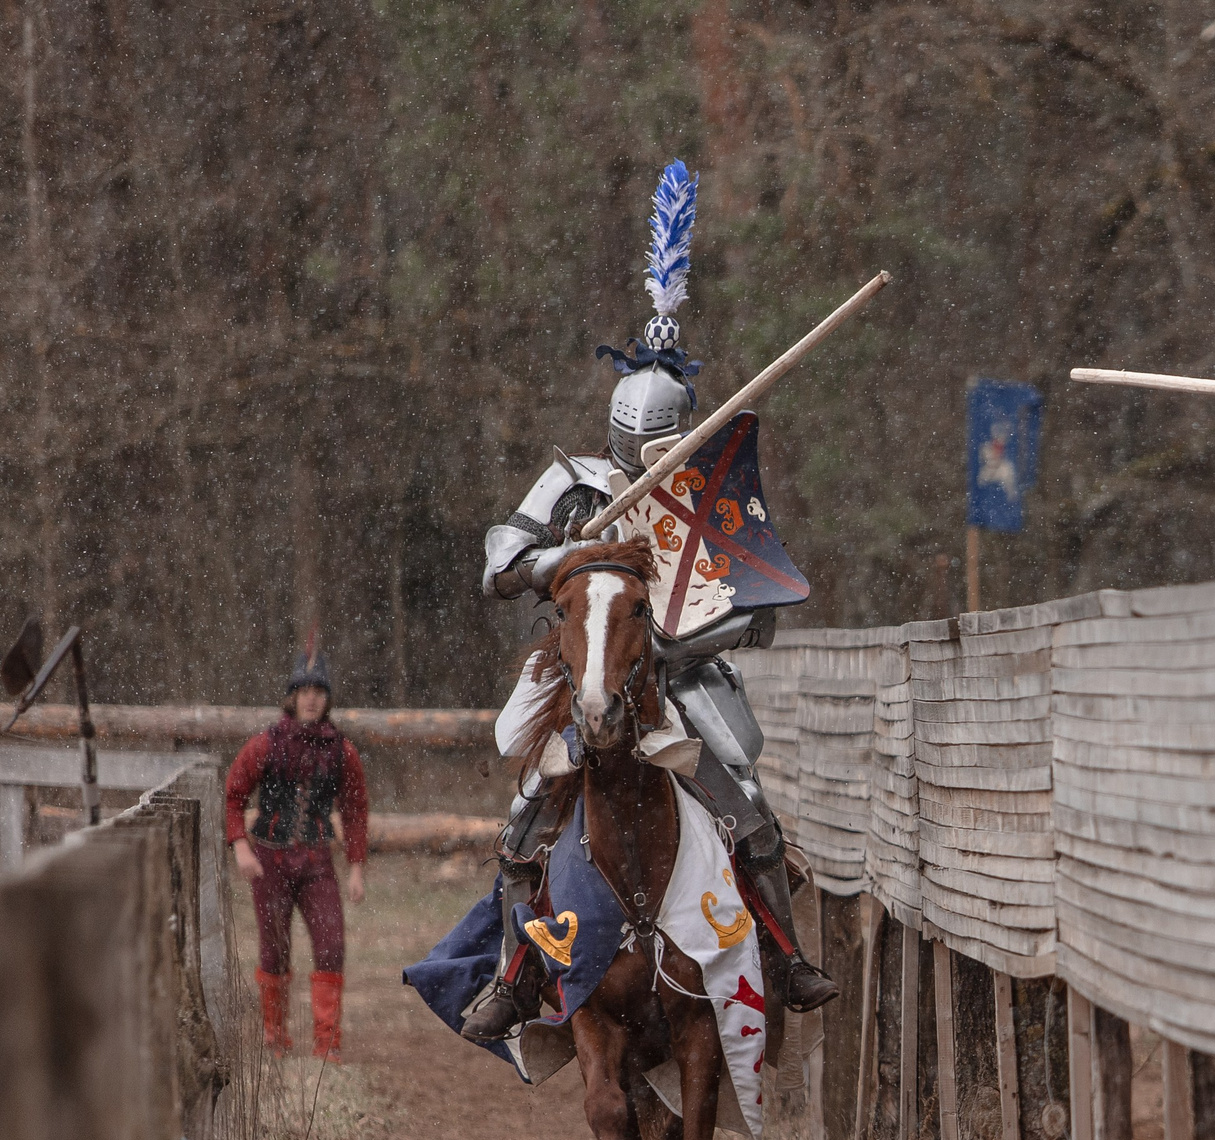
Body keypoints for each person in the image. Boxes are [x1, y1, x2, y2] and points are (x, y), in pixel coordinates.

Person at [457, 159, 836, 1043]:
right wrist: (573, 555)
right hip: (581, 670)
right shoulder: (576, 482)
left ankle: (779, 957)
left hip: (682, 677)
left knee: (745, 803)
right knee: (526, 821)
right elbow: (499, 560)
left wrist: (678, 631)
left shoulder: (711, 499)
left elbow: (760, 607)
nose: (643, 467)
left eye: (657, 452)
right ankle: (518, 978)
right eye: (635, 451)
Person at [225, 639, 368, 1060]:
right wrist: (240, 846)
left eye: (318, 691)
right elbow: (234, 794)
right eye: (304, 691)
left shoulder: (342, 750)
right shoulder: (265, 745)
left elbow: (356, 809)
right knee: (274, 949)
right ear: (292, 697)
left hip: (318, 861)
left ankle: (327, 1041)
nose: (311, 699)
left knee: (330, 945)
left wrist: (357, 866)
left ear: (327, 699)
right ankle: (274, 1038)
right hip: (269, 860)